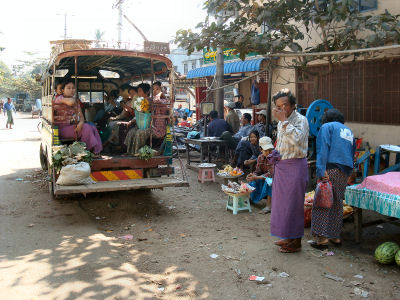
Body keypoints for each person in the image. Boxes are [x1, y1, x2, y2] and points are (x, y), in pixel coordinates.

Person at [310, 109, 355, 249]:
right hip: (344, 171)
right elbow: (352, 153)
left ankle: (322, 240)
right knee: (337, 204)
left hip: (330, 169)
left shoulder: (327, 127)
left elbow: (323, 148)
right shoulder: (349, 131)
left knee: (323, 201)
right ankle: (335, 237)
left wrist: (321, 169)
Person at [270, 88, 309, 253]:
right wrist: (274, 154)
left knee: (294, 204)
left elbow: (298, 141)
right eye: (278, 107)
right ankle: (287, 236)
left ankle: (296, 242)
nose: (281, 109)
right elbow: (281, 142)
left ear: (292, 105)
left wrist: (284, 121)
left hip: (295, 166)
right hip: (282, 166)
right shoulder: (281, 122)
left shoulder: (301, 120)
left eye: (284, 105)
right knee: (282, 205)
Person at [53, 80, 102, 154]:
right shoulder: (59, 98)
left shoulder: (76, 101)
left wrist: (81, 123)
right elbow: (71, 102)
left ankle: (96, 150)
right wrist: (76, 99)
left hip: (72, 126)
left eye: (73, 88)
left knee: (92, 126)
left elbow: (81, 116)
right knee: (86, 128)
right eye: (68, 88)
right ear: (63, 90)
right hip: (61, 129)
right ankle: (85, 152)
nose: (71, 90)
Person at [124, 83, 156, 156]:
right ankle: (129, 152)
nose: (138, 93)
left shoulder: (149, 101)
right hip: (141, 123)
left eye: (140, 91)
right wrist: (132, 120)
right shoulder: (140, 100)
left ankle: (136, 152)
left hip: (149, 125)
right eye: (138, 91)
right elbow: (138, 114)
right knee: (131, 132)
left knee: (139, 132)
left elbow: (142, 112)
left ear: (147, 92)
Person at [246, 136, 276, 213]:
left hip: (274, 180)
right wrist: (252, 175)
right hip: (262, 178)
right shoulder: (260, 158)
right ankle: (252, 199)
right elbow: (258, 171)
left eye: (270, 150)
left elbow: (271, 174)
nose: (268, 153)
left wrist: (257, 177)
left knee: (269, 182)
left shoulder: (275, 158)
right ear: (261, 149)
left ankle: (269, 205)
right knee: (252, 182)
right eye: (266, 150)